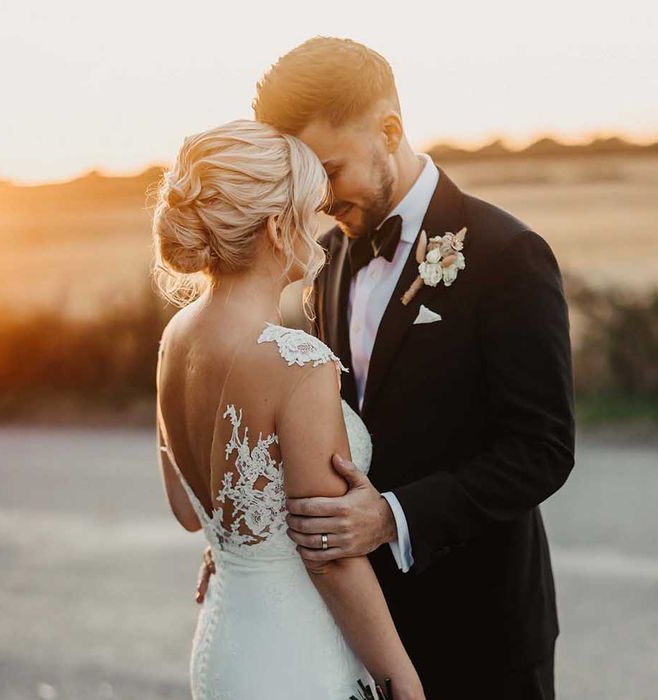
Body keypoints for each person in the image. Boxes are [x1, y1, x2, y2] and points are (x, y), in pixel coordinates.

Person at [198, 37, 576, 699]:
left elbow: (542, 449)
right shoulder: (326, 264)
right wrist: (251, 536)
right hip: (361, 623)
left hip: (483, 621)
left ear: (390, 130)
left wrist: (395, 516)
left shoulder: (507, 254)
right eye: (304, 183)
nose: (317, 201)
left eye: (331, 170)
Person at [153, 119, 424, 699]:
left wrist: (246, 545)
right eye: (309, 207)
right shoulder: (298, 362)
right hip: (296, 658)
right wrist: (401, 678)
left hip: (223, 649)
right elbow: (329, 555)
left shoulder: (176, 336)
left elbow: (186, 507)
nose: (321, 222)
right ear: (278, 228)